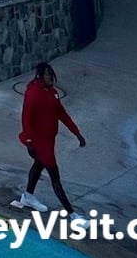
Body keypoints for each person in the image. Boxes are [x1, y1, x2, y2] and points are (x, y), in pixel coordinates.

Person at [13, 62, 86, 219]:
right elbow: (26, 119)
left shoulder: (52, 93)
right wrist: (29, 142)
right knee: (54, 175)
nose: (51, 77)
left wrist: (77, 133)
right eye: (47, 74)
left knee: (38, 166)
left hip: (49, 140)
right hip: (39, 142)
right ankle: (73, 215)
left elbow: (62, 114)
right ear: (40, 76)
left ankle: (28, 196)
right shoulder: (33, 94)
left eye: (51, 74)